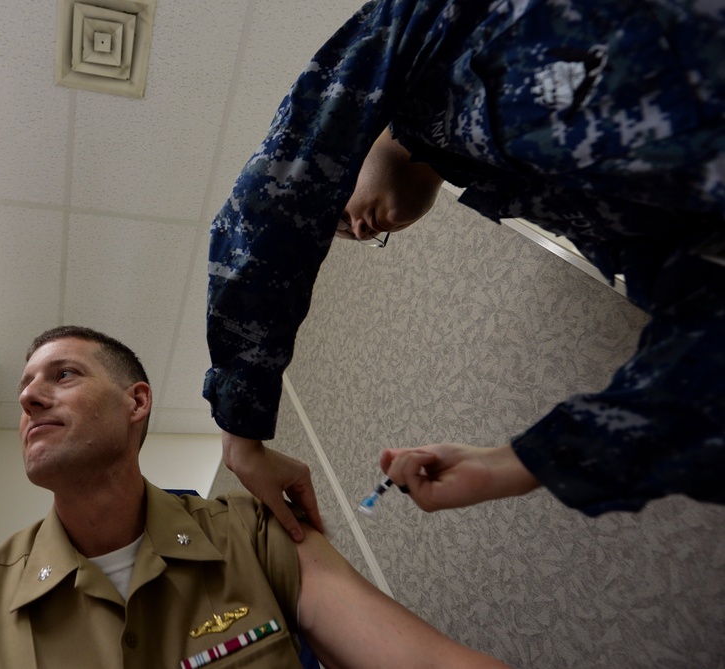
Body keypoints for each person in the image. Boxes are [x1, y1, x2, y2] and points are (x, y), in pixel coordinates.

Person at [205, 0, 725, 534]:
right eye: (357, 236)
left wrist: (241, 436)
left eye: (336, 213)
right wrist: (513, 465)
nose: (357, 229)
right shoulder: (538, 194)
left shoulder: (428, 27)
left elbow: (274, 201)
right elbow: (701, 334)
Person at [0, 325, 508, 668]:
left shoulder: (252, 532)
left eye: (64, 374)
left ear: (136, 401)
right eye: (25, 386)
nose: (27, 398)